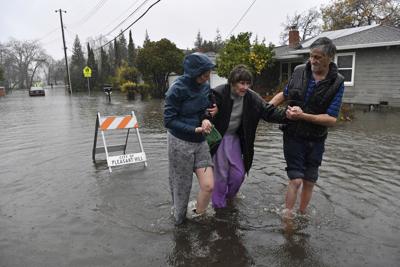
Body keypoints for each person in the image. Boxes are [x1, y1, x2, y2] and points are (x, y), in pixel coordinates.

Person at [269, 37, 345, 218]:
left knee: (310, 181)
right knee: (295, 180)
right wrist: (267, 108)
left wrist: (303, 115)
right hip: (293, 134)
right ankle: (287, 217)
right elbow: (285, 94)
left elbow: (331, 119)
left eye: (318, 57)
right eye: (311, 56)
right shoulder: (299, 71)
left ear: (330, 58)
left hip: (317, 138)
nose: (313, 61)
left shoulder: (338, 82)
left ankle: (302, 215)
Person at [210, 64, 286, 209]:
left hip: (234, 139)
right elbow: (205, 109)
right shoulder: (219, 93)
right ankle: (218, 208)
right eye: (241, 83)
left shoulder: (252, 97)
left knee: (238, 175)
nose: (245, 87)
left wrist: (288, 115)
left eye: (247, 83)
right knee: (220, 177)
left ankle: (228, 199)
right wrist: (209, 113)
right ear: (232, 82)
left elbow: (268, 112)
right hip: (218, 139)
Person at [164, 52, 217, 225]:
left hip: (200, 142)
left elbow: (204, 109)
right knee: (182, 188)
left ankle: (199, 218)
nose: (208, 76)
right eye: (205, 73)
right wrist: (195, 128)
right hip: (179, 143)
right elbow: (169, 121)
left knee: (208, 185)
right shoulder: (176, 89)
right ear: (194, 72)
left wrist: (206, 118)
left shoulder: (204, 86)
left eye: (209, 72)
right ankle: (179, 226)